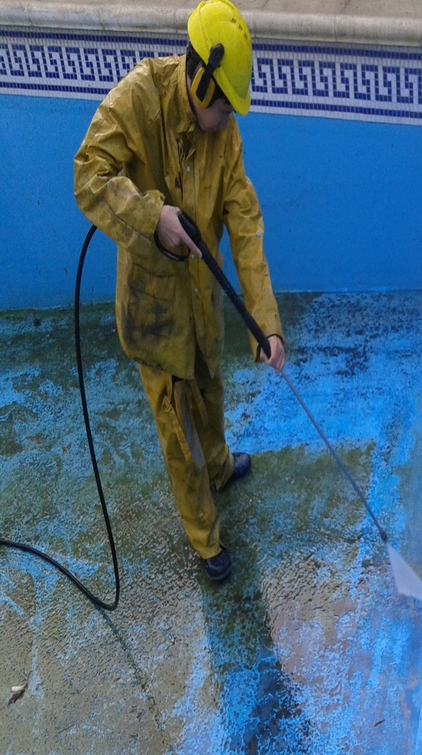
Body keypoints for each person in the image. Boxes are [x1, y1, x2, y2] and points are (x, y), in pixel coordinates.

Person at [74, 0, 284, 582]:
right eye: (222, 106)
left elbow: (244, 221)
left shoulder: (226, 134)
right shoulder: (139, 97)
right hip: (154, 311)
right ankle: (205, 539)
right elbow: (88, 175)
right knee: (180, 428)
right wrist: (151, 217)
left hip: (202, 300)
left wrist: (265, 323)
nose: (226, 119)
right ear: (198, 78)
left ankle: (220, 470)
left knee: (211, 391)